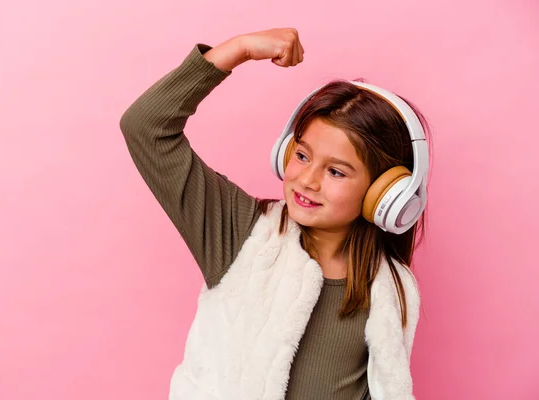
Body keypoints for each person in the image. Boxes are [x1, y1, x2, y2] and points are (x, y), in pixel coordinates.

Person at [119, 27, 431, 400]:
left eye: (335, 171)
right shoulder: (241, 232)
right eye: (302, 155)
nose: (308, 180)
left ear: (384, 194)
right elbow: (146, 128)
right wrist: (239, 49)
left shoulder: (390, 288)